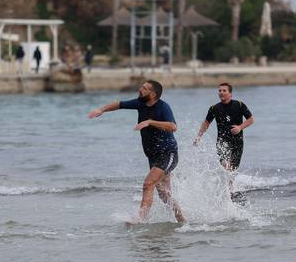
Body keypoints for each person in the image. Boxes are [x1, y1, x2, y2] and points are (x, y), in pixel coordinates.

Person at [88, 80, 185, 224]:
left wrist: (150, 122)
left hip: (168, 153)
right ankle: (181, 219)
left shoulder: (163, 107)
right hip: (152, 155)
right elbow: (119, 104)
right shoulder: (140, 103)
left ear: (152, 94)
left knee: (148, 184)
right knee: (164, 193)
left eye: (144, 88)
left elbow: (173, 126)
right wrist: (101, 110)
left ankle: (139, 218)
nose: (140, 89)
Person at [193, 83, 254, 194]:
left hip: (237, 141)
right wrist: (198, 136)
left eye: (224, 90)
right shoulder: (214, 108)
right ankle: (229, 190)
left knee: (232, 169)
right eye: (220, 90)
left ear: (230, 93)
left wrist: (240, 127)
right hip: (222, 141)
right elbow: (206, 122)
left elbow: (251, 119)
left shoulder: (239, 105)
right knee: (226, 167)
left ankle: (231, 187)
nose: (221, 92)